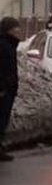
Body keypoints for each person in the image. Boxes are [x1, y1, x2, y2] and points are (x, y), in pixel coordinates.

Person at [0, 17, 23, 161]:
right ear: (9, 30)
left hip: (8, 89)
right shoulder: (3, 46)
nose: (19, 32)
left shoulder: (9, 45)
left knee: (3, 120)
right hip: (3, 90)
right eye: (16, 29)